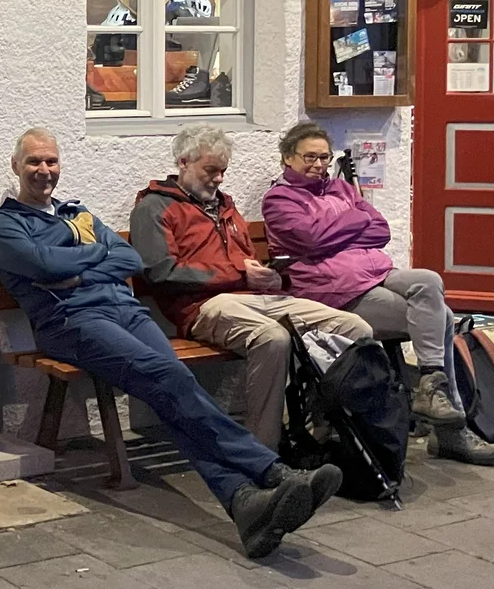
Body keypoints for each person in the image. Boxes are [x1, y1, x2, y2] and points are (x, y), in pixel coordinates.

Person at [0, 128, 340, 559]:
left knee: (170, 388)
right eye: (34, 163)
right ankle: (269, 469)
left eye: (51, 162)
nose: (44, 171)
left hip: (126, 313)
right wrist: (93, 259)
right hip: (71, 322)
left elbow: (129, 259)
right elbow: (43, 264)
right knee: (170, 376)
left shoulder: (76, 212)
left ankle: (245, 506)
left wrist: (77, 270)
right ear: (15, 166)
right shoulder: (7, 224)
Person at [260, 122, 494, 467]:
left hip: (375, 272)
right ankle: (449, 432)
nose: (318, 165)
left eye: (324, 158)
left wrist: (342, 227)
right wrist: (353, 221)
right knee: (444, 319)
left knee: (428, 280)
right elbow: (310, 238)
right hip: (333, 290)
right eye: (309, 157)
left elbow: (380, 229)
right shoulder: (279, 199)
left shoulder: (342, 188)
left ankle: (431, 385)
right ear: (288, 157)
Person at [131, 125, 374, 450]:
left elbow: (248, 262)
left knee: (353, 327)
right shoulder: (154, 207)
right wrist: (239, 274)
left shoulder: (225, 207)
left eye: (223, 172)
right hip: (201, 308)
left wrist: (274, 278)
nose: (218, 179)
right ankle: (263, 451)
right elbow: (161, 273)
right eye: (211, 170)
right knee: (272, 338)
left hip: (256, 298)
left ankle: (327, 427)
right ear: (183, 162)